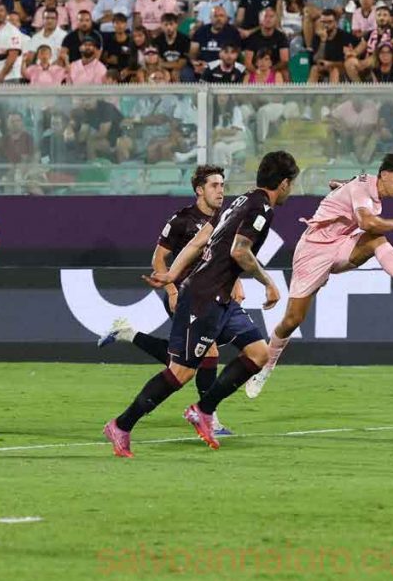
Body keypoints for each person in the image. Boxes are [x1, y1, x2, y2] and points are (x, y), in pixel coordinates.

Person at [103, 152, 300, 458]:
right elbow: (240, 251)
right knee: (181, 373)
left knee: (259, 353)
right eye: (292, 184)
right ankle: (121, 425)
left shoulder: (239, 202)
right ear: (284, 183)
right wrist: (268, 282)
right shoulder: (260, 208)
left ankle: (204, 410)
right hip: (204, 296)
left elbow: (200, 241)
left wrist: (172, 274)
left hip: (222, 298)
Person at [244, 154, 393, 400]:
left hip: (340, 245)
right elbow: (365, 221)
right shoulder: (364, 188)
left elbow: (353, 189)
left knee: (375, 239)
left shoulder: (367, 187)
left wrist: (339, 186)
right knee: (292, 319)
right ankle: (265, 367)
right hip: (313, 251)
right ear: (384, 174)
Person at [97, 167, 236, 436]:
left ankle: (128, 333)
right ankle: (209, 418)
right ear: (199, 190)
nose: (221, 190)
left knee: (185, 362)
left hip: (211, 297)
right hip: (185, 296)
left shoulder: (225, 219)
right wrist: (172, 291)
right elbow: (158, 259)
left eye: (222, 185)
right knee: (207, 352)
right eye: (214, 185)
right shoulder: (182, 220)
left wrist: (235, 283)